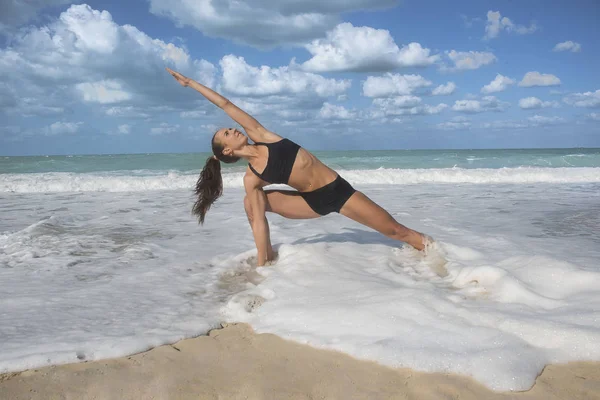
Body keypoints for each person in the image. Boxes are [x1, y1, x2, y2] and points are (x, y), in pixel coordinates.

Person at [166, 67, 431, 266]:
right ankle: (266, 259)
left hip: (338, 192)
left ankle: (442, 259)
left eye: (229, 128)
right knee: (251, 204)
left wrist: (190, 83)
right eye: (227, 133)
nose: (232, 129)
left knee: (396, 231)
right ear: (227, 151)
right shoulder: (252, 177)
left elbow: (225, 104)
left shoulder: (262, 136)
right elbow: (259, 221)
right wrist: (261, 269)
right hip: (311, 203)